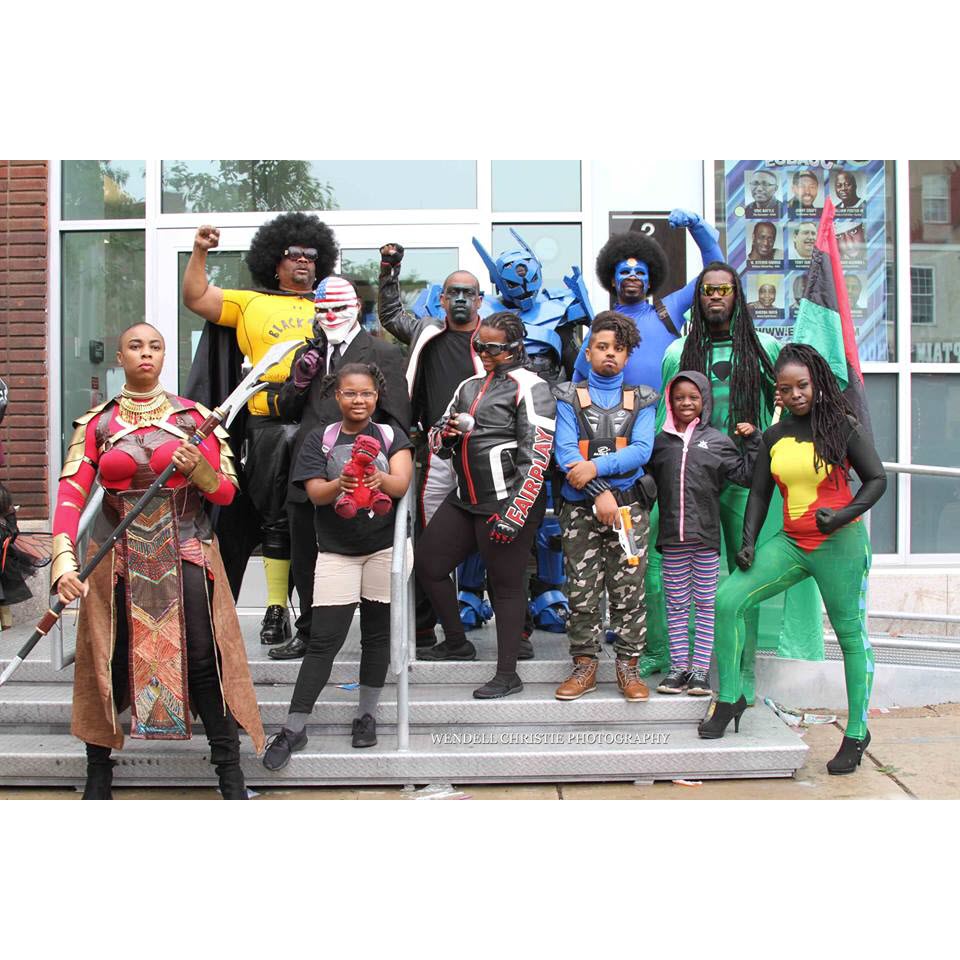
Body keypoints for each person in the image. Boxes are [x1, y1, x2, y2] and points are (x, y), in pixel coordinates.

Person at [52, 323, 264, 799]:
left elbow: (226, 494)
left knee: (204, 658)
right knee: (108, 662)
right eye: (135, 346)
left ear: (165, 356)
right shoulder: (98, 423)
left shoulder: (194, 418)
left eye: (155, 346)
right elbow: (70, 495)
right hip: (116, 554)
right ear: (120, 357)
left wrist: (202, 471)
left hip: (185, 546)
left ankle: (231, 778)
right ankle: (98, 777)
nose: (145, 354)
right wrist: (63, 560)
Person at [703, 344, 886, 776]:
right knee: (728, 599)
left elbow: (877, 480)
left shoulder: (842, 426)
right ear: (778, 393)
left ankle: (857, 732)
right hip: (791, 543)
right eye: (786, 389)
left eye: (802, 385)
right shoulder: (775, 436)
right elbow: (759, 494)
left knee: (850, 635)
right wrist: (748, 542)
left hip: (839, 543)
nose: (795, 394)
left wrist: (842, 515)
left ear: (816, 383)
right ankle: (730, 699)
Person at [649, 262, 824, 697]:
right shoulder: (678, 352)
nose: (715, 296)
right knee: (666, 569)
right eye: (707, 290)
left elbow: (787, 405)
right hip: (690, 478)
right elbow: (663, 419)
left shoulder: (764, 347)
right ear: (698, 297)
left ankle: (741, 674)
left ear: (736, 296)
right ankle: (674, 661)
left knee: (744, 573)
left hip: (745, 478)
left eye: (723, 290)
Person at [182, 214, 339, 645]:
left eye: (311, 255)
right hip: (268, 419)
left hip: (319, 419)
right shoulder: (250, 302)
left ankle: (317, 612)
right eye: (293, 254)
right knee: (275, 518)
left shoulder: (331, 305)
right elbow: (195, 297)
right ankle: (275, 607)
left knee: (316, 518)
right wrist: (200, 251)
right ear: (275, 260)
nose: (303, 261)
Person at [262, 363, 414, 769]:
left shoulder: (391, 436)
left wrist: (378, 479)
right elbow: (315, 494)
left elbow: (401, 484)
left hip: (384, 549)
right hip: (335, 551)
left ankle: (366, 716)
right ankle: (294, 728)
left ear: (377, 396)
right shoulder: (321, 438)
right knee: (323, 640)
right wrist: (340, 485)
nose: (358, 400)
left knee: (376, 637)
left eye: (366, 393)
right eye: (350, 393)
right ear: (336, 396)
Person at [414, 312, 556, 698]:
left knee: (505, 586)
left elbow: (537, 456)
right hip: (466, 498)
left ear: (516, 347)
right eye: (479, 345)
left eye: (493, 348)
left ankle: (508, 674)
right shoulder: (468, 385)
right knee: (428, 563)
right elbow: (436, 440)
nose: (484, 353)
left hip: (506, 501)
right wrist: (445, 435)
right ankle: (456, 641)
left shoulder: (532, 386)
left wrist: (516, 512)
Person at [271, 276, 410, 660]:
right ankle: (309, 632)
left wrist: (382, 465)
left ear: (357, 309)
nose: (330, 316)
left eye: (338, 308)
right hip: (311, 469)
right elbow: (287, 409)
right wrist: (299, 381)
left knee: (369, 556)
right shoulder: (308, 351)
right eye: (322, 310)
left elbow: (398, 415)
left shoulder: (382, 351)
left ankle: (376, 640)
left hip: (365, 474)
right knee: (304, 554)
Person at [376, 243, 488, 650]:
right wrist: (389, 270)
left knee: (494, 539)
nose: (460, 299)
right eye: (452, 292)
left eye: (468, 293)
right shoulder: (426, 331)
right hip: (435, 451)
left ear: (480, 300)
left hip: (484, 453)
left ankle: (519, 633)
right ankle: (424, 627)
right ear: (441, 299)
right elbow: (391, 315)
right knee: (426, 540)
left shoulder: (493, 339)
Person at [552, 312, 657, 702]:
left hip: (629, 510)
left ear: (627, 355)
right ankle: (585, 666)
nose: (609, 354)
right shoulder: (567, 396)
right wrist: (600, 492)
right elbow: (565, 453)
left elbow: (641, 450)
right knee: (581, 591)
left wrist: (595, 468)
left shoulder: (642, 398)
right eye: (602, 347)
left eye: (618, 348)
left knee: (629, 590)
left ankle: (629, 668)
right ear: (588, 352)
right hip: (579, 511)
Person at [647, 371, 759, 695]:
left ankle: (700, 672)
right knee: (676, 605)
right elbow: (646, 482)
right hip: (672, 539)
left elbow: (746, 475)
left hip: (706, 540)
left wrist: (753, 440)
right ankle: (678, 668)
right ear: (670, 402)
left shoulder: (718, 442)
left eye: (693, 397)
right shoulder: (659, 444)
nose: (686, 402)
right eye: (679, 397)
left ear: (704, 402)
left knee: (707, 605)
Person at [574, 210, 724, 394]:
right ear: (612, 280)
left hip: (667, 412)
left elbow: (716, 272)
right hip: (619, 413)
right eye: (624, 272)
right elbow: (578, 382)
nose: (632, 276)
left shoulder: (669, 311)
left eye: (640, 272)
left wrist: (697, 226)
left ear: (650, 281)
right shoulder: (602, 326)